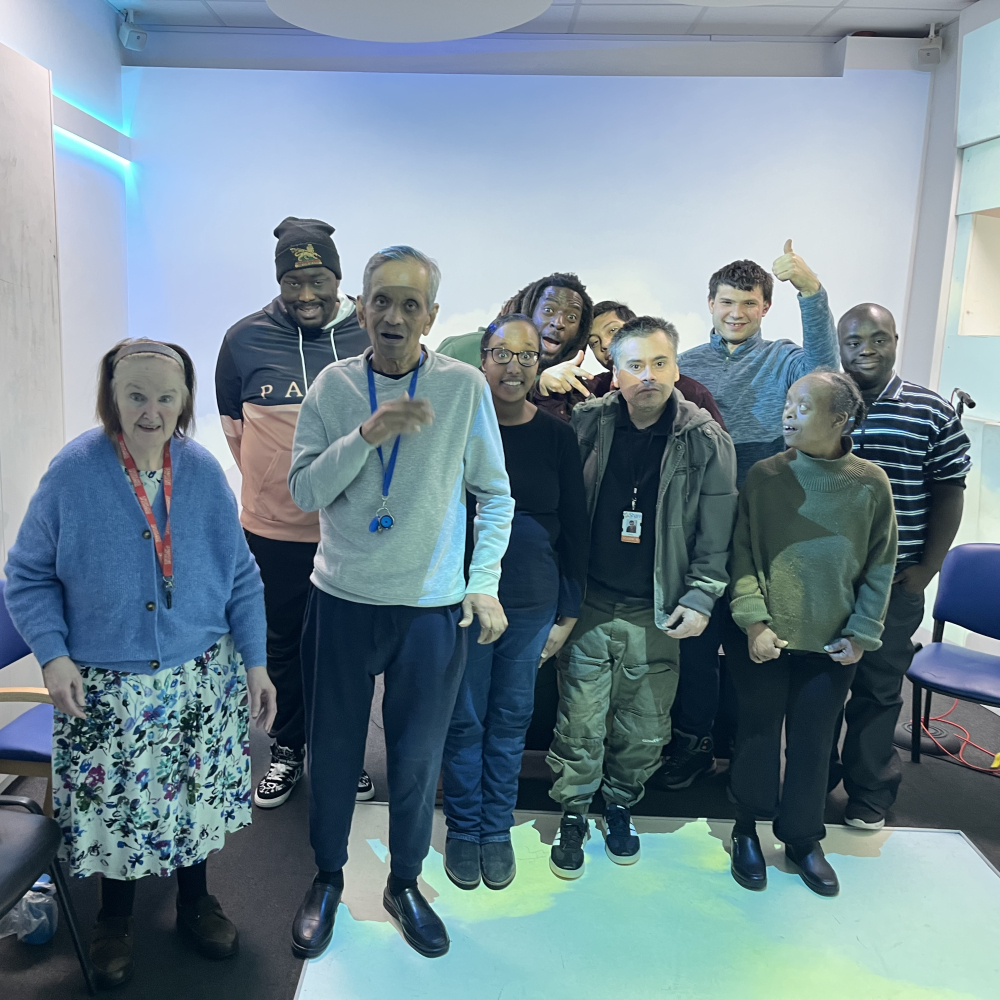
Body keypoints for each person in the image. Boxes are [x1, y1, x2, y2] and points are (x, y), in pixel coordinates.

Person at [4, 340, 275, 989]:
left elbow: (242, 576)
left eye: (165, 397)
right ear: (112, 398)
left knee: (191, 797)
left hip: (198, 674)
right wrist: (53, 655)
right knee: (118, 805)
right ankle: (114, 919)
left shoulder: (201, 471)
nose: (150, 411)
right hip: (109, 681)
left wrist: (257, 662)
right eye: (135, 396)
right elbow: (28, 575)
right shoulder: (74, 472)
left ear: (184, 402)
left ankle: (196, 902)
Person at [287, 246, 513, 960]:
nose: (393, 316)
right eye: (381, 300)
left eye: (410, 304)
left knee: (417, 758)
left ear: (431, 317)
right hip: (343, 599)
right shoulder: (332, 387)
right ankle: (328, 877)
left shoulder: (462, 387)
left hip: (430, 607)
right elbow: (303, 491)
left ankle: (404, 882)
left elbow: (495, 494)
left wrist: (483, 581)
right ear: (360, 307)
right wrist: (366, 435)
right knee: (332, 753)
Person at [546, 316, 737, 879]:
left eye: (659, 363)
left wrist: (701, 595)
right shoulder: (586, 423)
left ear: (676, 369)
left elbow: (717, 531)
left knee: (644, 723)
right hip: (590, 602)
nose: (647, 376)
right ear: (614, 372)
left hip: (658, 609)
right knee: (580, 718)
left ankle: (620, 804)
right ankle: (574, 810)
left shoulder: (706, 440)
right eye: (634, 365)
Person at [658, 242, 839, 792]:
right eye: (727, 302)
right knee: (695, 646)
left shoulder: (784, 358)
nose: (736, 313)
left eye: (749, 303)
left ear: (765, 307)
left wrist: (812, 292)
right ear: (710, 303)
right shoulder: (686, 365)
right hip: (700, 528)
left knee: (754, 643)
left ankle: (749, 750)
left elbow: (825, 374)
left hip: (765, 526)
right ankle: (692, 744)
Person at [216, 217, 373, 810]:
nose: (305, 294)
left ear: (338, 278)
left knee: (346, 649)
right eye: (292, 282)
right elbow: (236, 431)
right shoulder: (244, 339)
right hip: (274, 529)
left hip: (352, 528)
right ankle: (287, 746)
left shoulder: (369, 333)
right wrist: (274, 486)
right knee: (280, 643)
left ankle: (342, 752)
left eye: (317, 280)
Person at [727, 371, 897, 898]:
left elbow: (881, 565)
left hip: (831, 643)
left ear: (840, 419)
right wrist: (753, 621)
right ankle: (746, 829)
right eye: (788, 403)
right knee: (756, 734)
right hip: (765, 639)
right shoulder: (764, 476)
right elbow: (742, 554)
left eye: (802, 406)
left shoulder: (871, 483)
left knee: (815, 743)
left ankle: (802, 838)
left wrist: (863, 633)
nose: (788, 413)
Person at [441, 314, 588, 892]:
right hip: (464, 599)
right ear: (482, 359)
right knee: (465, 717)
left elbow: (575, 526)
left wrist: (568, 612)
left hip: (532, 600)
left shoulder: (557, 435)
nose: (514, 367)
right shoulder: (456, 429)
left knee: (510, 718)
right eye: (502, 354)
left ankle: (495, 827)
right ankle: (464, 825)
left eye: (527, 356)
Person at [831, 303, 971, 829]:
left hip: (895, 581)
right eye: (853, 341)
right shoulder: (821, 402)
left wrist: (929, 567)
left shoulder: (930, 412)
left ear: (895, 340)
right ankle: (811, 784)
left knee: (878, 690)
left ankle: (870, 794)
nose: (865, 349)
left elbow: (949, 492)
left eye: (878, 338)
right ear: (839, 345)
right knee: (821, 690)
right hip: (825, 582)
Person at [534, 299, 727, 426]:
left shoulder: (692, 393)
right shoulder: (588, 392)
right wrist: (545, 390)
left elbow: (719, 458)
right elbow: (558, 444)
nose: (605, 344)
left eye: (613, 331)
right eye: (594, 342)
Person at [437, 272, 594, 372]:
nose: (558, 323)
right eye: (548, 310)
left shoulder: (570, 394)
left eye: (571, 317)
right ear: (527, 311)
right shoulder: (465, 350)